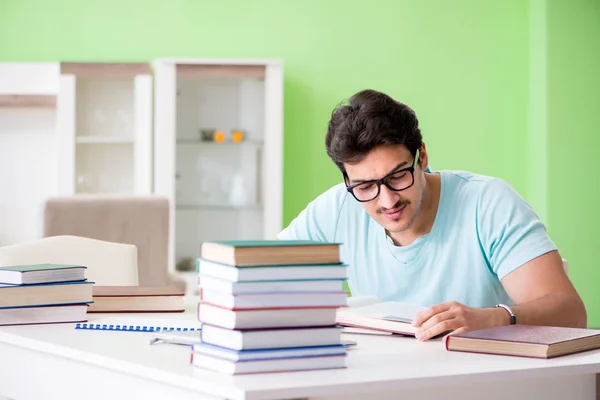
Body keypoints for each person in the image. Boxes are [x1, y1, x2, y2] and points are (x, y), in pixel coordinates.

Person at [278, 89, 587, 341]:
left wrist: (490, 317)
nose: (387, 201)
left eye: (398, 176)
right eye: (365, 185)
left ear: (422, 156)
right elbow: (260, 280)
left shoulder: (488, 203)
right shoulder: (336, 208)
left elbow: (571, 313)